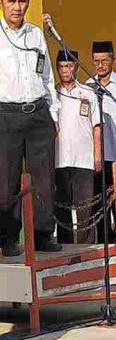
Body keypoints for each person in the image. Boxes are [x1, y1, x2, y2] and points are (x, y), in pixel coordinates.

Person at [0, 0, 62, 257]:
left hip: (37, 112)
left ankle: (43, 235)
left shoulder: (36, 34)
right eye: (11, 1)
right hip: (4, 115)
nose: (17, 7)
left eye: (22, 1)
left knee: (43, 178)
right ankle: (7, 238)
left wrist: (53, 112)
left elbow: (46, 76)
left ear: (28, 3)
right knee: (6, 180)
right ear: (0, 3)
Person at [54, 50, 100, 244]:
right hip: (59, 160)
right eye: (62, 67)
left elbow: (96, 126)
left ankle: (87, 249)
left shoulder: (88, 93)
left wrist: (97, 154)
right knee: (62, 210)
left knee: (85, 210)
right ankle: (65, 250)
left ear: (76, 67)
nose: (66, 70)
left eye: (69, 66)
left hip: (84, 159)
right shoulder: (51, 94)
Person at [86, 41, 116, 244]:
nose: (100, 65)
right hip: (97, 158)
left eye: (104, 60)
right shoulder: (88, 86)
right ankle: (105, 244)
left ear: (113, 59)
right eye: (96, 61)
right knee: (99, 206)